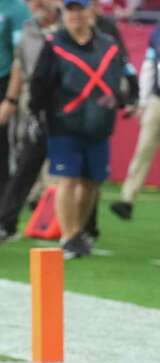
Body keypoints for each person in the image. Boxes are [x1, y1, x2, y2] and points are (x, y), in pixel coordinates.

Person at [29, 0, 129, 259]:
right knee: (67, 179)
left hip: (99, 124)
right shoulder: (54, 45)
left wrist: (127, 98)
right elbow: (39, 81)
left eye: (80, 8)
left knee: (92, 182)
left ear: (91, 11)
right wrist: (35, 113)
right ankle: (69, 236)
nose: (75, 15)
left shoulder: (108, 44)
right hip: (63, 123)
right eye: (70, 9)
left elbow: (123, 73)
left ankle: (79, 231)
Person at [109, 0, 160, 221]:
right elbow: (149, 65)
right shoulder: (158, 32)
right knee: (143, 150)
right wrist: (143, 100)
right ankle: (127, 199)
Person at [0, 0, 58, 243]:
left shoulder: (68, 28)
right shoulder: (29, 29)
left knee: (74, 169)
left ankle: (80, 227)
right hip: (35, 102)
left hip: (66, 104)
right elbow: (19, 64)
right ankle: (6, 221)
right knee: (27, 160)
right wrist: (11, 100)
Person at [0, 0, 32, 205]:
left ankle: (4, 204)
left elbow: (21, 56)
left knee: (4, 145)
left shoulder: (16, 9)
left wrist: (10, 98)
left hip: (4, 82)